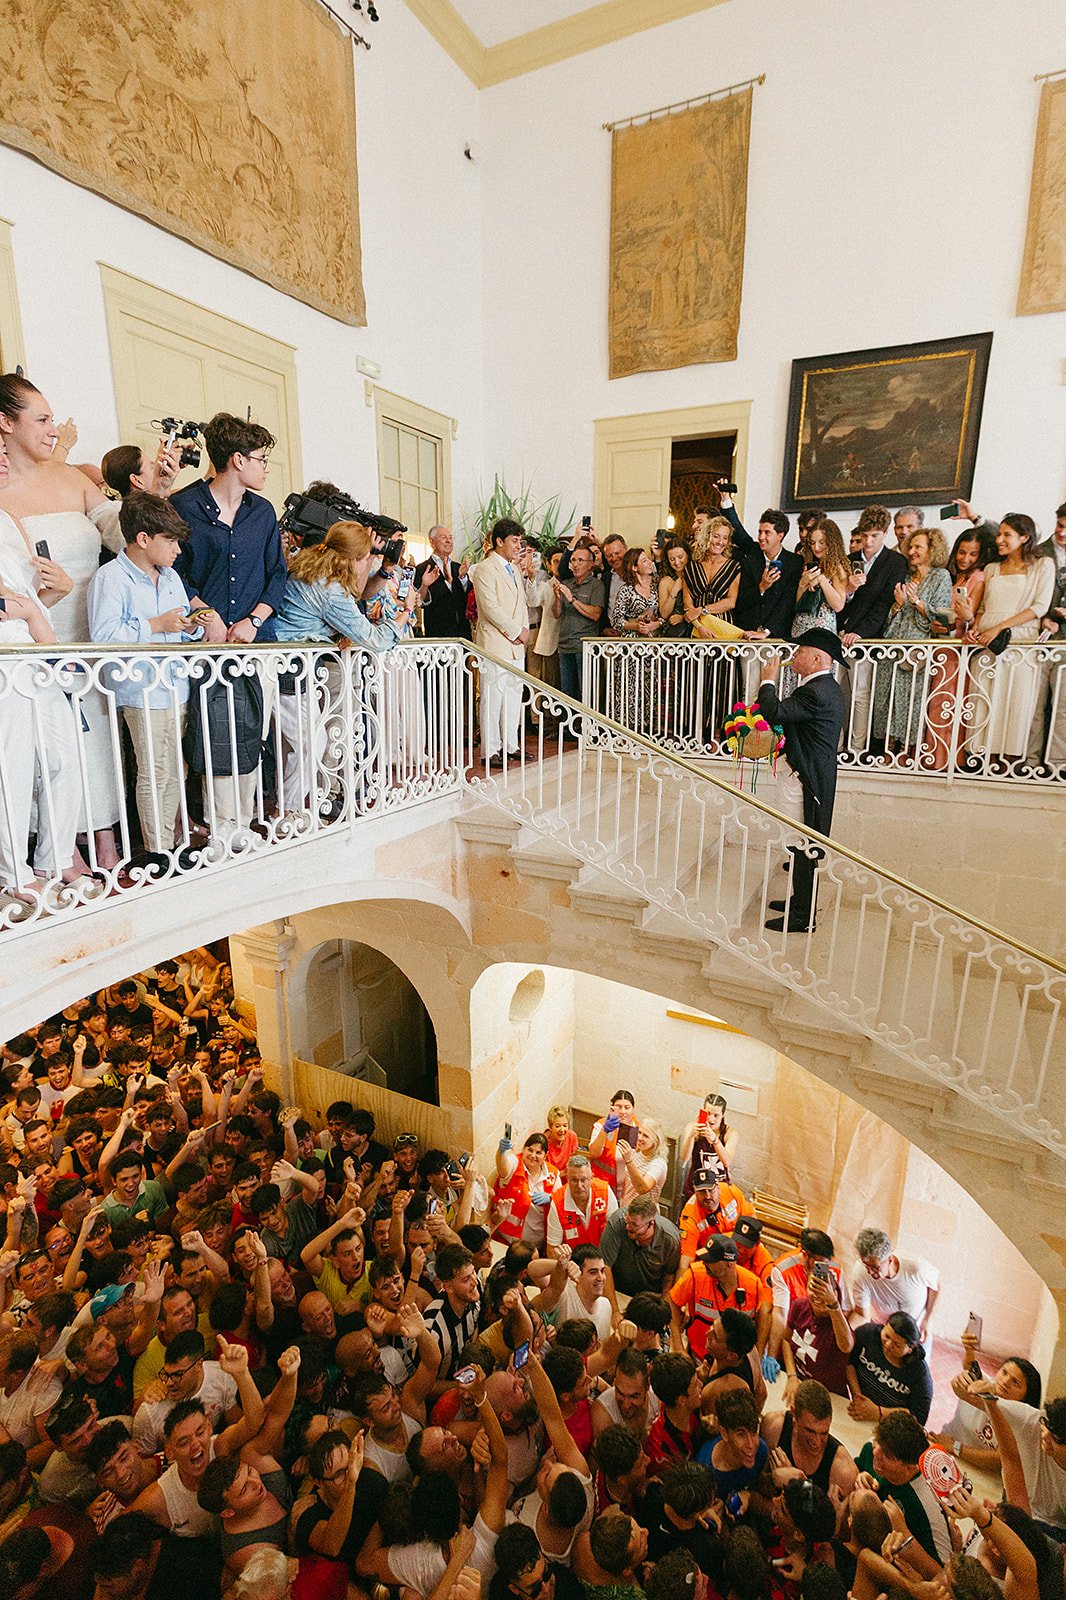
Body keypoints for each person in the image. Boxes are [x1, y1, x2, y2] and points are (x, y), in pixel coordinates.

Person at [0, 374, 124, 871]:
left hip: (82, 627)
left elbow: (122, 533)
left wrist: (153, 498)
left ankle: (105, 839)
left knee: (86, 749)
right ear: (6, 424)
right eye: (43, 419)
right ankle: (54, 854)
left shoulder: (73, 478)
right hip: (31, 636)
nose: (54, 429)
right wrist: (34, 610)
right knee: (39, 752)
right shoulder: (3, 493)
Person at [172, 413, 286, 841]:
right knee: (217, 732)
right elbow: (173, 573)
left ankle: (243, 819)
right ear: (237, 460)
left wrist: (255, 619)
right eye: (261, 458)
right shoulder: (185, 506)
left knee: (252, 731)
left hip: (258, 642)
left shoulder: (263, 512)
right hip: (208, 644)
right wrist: (207, 613)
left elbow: (277, 574)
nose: (266, 467)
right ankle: (222, 828)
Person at [87, 491, 208, 864]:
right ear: (143, 539)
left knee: (175, 769)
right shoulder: (110, 578)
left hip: (176, 685)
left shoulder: (171, 577)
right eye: (169, 541)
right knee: (154, 771)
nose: (177, 550)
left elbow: (178, 624)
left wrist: (191, 626)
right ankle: (157, 851)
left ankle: (170, 844)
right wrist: (154, 625)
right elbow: (103, 637)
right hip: (140, 689)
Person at [272, 519, 411, 815]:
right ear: (353, 559)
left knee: (296, 744)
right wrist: (405, 614)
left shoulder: (310, 568)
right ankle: (291, 812)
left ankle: (292, 807)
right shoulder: (331, 589)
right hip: (292, 668)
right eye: (365, 558)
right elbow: (374, 638)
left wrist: (333, 632)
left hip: (283, 663)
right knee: (313, 741)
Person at [754, 628, 847, 933]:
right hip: (808, 772)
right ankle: (800, 902)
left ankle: (803, 917)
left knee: (801, 846)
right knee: (799, 844)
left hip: (806, 779)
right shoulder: (823, 686)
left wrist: (767, 679)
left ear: (817, 658)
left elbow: (775, 712)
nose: (795, 656)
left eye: (800, 651)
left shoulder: (816, 691)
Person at [960, 515, 1056, 764]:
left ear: (1025, 537)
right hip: (986, 644)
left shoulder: (1042, 565)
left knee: (1016, 704)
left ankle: (1010, 763)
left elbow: (1040, 606)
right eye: (999, 534)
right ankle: (983, 760)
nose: (999, 540)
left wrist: (999, 629)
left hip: (1019, 643)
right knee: (985, 701)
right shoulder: (992, 568)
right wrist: (976, 628)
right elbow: (982, 608)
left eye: (1007, 535)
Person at [871, 526, 953, 755]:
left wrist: (917, 601)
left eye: (919, 547)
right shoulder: (904, 576)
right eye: (911, 546)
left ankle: (906, 752)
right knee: (887, 699)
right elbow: (890, 617)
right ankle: (887, 752)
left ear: (932, 550)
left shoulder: (941, 576)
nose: (913, 551)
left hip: (918, 647)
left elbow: (943, 615)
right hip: (894, 644)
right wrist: (898, 604)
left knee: (911, 702)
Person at [838, 504, 910, 751]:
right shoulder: (848, 561)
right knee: (837, 694)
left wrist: (861, 633)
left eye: (874, 536)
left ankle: (856, 749)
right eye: (865, 535)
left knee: (861, 694)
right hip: (840, 635)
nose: (868, 542)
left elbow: (884, 605)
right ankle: (835, 746)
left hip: (866, 639)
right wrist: (849, 589)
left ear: (885, 533)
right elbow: (838, 602)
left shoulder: (896, 562)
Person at [854, 1408, 952, 1562]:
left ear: (910, 1467)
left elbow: (945, 1574)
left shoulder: (927, 1506)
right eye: (877, 1442)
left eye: (888, 1456)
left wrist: (906, 1535)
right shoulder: (870, 1449)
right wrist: (858, 1477)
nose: (876, 1453)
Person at [472, 519, 529, 764]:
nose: (519, 546)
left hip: (516, 644)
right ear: (499, 541)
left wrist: (524, 630)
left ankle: (510, 745)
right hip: (496, 641)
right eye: (514, 541)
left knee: (514, 696)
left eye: (519, 541)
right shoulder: (484, 569)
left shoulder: (514, 569)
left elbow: (522, 603)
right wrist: (516, 631)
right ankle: (490, 750)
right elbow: (490, 607)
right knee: (492, 697)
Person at [717, 490, 803, 642]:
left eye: (767, 533)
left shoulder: (795, 562)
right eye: (760, 532)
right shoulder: (753, 553)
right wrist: (762, 587)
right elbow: (737, 529)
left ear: (780, 535)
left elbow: (788, 603)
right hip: (746, 633)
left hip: (776, 636)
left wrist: (767, 632)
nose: (761, 537)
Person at [761, 1378, 857, 1501]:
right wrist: (772, 1479)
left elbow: (833, 1520)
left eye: (824, 1433)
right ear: (794, 1414)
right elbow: (755, 1485)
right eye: (810, 1431)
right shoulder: (773, 1427)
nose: (816, 1442)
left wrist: (799, 1485)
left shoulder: (843, 1471)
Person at [848, 1228, 939, 1347]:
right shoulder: (860, 1272)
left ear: (890, 1259)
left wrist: (927, 1320)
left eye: (875, 1267)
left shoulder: (916, 1268)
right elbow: (861, 1314)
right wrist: (846, 1333)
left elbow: (936, 1286)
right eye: (866, 1266)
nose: (870, 1272)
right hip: (885, 1330)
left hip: (916, 1330)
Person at [1027, 501, 1066, 768]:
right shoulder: (1039, 553)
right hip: (1038, 638)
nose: (1062, 533)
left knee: (1063, 708)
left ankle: (1056, 764)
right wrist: (1043, 618)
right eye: (1061, 526)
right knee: (1032, 703)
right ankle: (1027, 760)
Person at [609, 548, 662, 731]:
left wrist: (656, 625)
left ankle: (648, 728)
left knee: (650, 687)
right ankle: (626, 728)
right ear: (634, 567)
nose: (649, 563)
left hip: (652, 644)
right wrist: (636, 626)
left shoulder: (657, 586)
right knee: (628, 687)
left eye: (648, 560)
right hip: (630, 645)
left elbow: (665, 615)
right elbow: (616, 620)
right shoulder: (626, 590)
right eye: (644, 561)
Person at [846, 1311, 932, 1424]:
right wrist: (858, 1396)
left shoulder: (919, 1373)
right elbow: (850, 1363)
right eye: (886, 1336)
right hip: (859, 1408)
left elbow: (918, 1416)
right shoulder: (867, 1334)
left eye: (897, 1345)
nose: (888, 1345)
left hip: (891, 1424)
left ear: (910, 1348)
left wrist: (878, 1412)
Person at [553, 540, 605, 702]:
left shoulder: (596, 585)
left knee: (586, 692)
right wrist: (556, 599)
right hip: (564, 646)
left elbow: (596, 614)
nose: (575, 564)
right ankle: (567, 728)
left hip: (584, 647)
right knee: (566, 693)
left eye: (580, 560)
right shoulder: (566, 583)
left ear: (591, 564)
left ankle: (587, 727)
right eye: (573, 560)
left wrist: (571, 599)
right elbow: (556, 614)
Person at [599, 1195, 681, 1297]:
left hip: (650, 1296)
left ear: (651, 1224)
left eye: (634, 1224)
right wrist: (614, 1310)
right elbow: (605, 1266)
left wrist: (663, 1305)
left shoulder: (669, 1239)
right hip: (618, 1291)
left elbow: (669, 1276)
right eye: (627, 1220)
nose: (627, 1226)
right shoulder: (617, 1222)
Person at [547, 1154, 617, 1258]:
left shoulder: (605, 1193)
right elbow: (552, 1249)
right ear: (567, 1179)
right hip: (573, 1263)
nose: (579, 1186)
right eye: (574, 1180)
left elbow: (615, 1235)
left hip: (603, 1258)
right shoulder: (557, 1204)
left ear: (591, 1178)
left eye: (583, 1180)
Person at [414, 526, 472, 640]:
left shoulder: (458, 568)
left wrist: (463, 577)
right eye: (443, 537)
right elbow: (420, 602)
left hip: (463, 634)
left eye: (450, 537)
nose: (448, 541)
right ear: (432, 541)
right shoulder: (422, 569)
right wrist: (426, 585)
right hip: (438, 634)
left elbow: (468, 597)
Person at [679, 1094, 738, 1197]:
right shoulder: (692, 1127)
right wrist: (691, 1136)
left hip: (719, 1187)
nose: (711, 1119)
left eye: (716, 1115)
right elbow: (684, 1158)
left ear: (723, 1115)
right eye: (708, 1113)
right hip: (697, 1185)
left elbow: (727, 1161)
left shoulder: (730, 1133)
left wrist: (715, 1140)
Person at [658, 540, 691, 638]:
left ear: (688, 555)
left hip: (696, 627)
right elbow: (664, 614)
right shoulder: (666, 581)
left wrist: (683, 618)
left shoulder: (697, 576)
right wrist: (674, 591)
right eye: (672, 559)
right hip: (674, 632)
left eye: (680, 557)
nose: (677, 562)